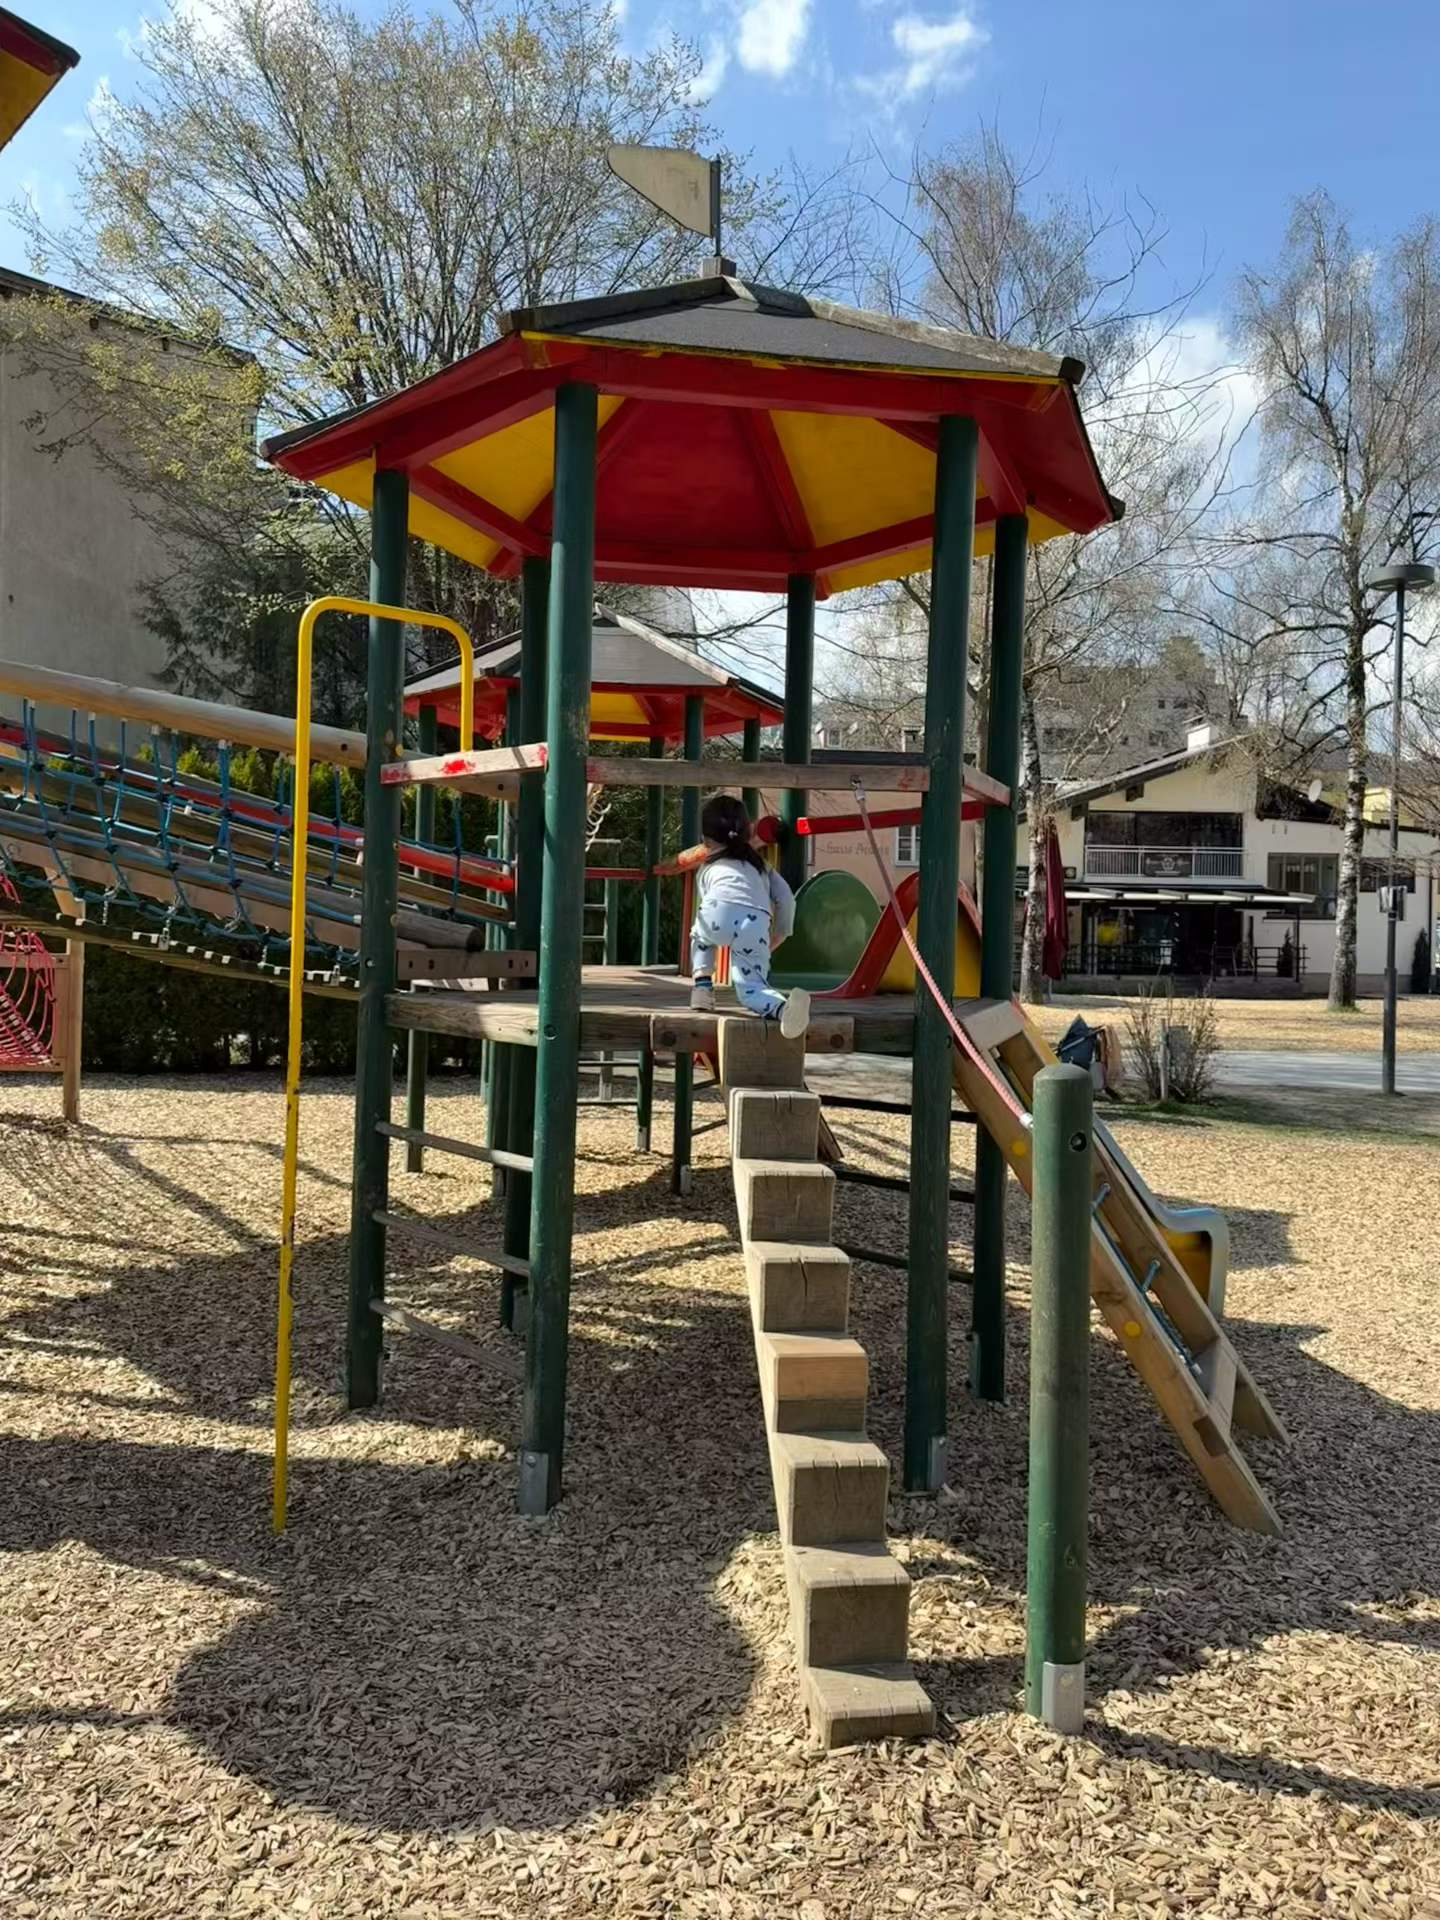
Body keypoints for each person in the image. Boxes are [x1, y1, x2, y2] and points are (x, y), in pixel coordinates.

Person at [688, 794, 810, 1039]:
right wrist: (781, 933)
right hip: (756, 923)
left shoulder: (709, 867)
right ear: (748, 831)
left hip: (717, 913)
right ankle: (783, 1009)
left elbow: (710, 904)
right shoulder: (761, 865)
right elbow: (786, 898)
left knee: (700, 935)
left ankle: (702, 989)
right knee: (751, 988)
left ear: (705, 839)